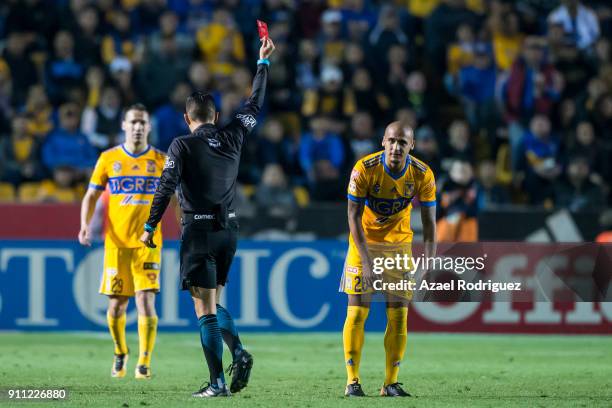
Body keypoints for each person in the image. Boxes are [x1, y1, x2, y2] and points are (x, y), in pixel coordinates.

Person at [140, 37, 275, 398]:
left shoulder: (182, 144)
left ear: (187, 119)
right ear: (215, 116)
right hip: (229, 229)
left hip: (197, 231)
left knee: (204, 310)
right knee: (213, 302)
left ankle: (218, 381)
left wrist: (151, 225)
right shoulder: (233, 135)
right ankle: (238, 352)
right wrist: (263, 64)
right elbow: (254, 104)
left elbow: (166, 186)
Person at [341, 122, 437, 397]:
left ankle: (390, 383)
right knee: (358, 312)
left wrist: (429, 264)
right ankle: (352, 381)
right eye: (392, 141)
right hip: (364, 244)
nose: (396, 147)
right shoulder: (364, 169)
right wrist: (368, 261)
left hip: (398, 247)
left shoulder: (423, 175)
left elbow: (430, 222)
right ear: (383, 141)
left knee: (399, 317)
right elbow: (353, 216)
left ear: (412, 146)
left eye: (402, 143)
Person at [78, 104, 166, 379]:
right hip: (116, 243)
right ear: (124, 125)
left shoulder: (162, 161)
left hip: (148, 243)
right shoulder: (108, 159)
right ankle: (120, 352)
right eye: (134, 122)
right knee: (117, 305)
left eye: (143, 122)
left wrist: (185, 225)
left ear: (149, 127)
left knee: (146, 301)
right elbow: (91, 196)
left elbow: (175, 198)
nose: (138, 127)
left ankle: (144, 361)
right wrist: (84, 225)